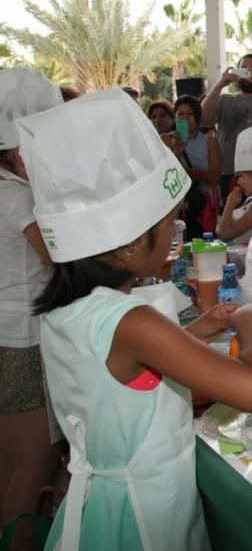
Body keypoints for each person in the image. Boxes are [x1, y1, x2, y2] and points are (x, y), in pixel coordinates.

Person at [18, 88, 252, 551]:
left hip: (102, 502)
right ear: (133, 246)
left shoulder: (67, 308)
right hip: (144, 517)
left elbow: (117, 370)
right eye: (171, 225)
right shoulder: (133, 321)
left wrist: (194, 332)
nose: (175, 235)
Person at [0, 69, 63, 551]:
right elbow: (56, 255)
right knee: (35, 462)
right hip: (19, 339)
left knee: (8, 463)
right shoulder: (18, 195)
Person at [201, 53, 252, 198]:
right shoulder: (225, 100)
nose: (248, 71)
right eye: (243, 68)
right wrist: (220, 85)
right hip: (228, 174)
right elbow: (204, 119)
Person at [168, 95, 222, 240]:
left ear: (198, 118)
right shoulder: (166, 140)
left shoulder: (210, 143)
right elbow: (164, 173)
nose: (185, 118)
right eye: (180, 114)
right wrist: (177, 152)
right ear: (175, 117)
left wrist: (187, 172)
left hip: (204, 203)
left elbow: (215, 177)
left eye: (190, 114)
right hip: (177, 203)